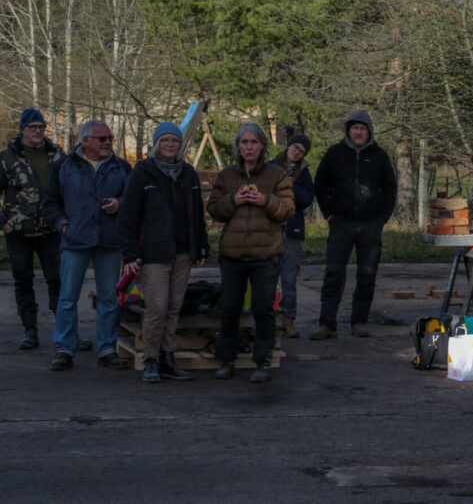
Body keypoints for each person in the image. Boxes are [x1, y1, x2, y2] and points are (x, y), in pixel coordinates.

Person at [117, 121, 210, 383]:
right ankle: (150, 359)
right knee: (156, 307)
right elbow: (128, 216)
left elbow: (197, 215)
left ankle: (168, 357)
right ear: (157, 144)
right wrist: (130, 253)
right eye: (166, 140)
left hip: (182, 252)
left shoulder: (188, 174)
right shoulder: (143, 172)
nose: (171, 145)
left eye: (175, 141)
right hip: (153, 253)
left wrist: (201, 244)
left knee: (174, 307)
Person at [206, 123, 294, 383]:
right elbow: (214, 210)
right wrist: (234, 199)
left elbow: (288, 210)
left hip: (266, 255)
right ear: (238, 146)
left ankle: (263, 360)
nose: (248, 147)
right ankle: (226, 359)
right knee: (229, 309)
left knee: (263, 308)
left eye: (253, 142)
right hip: (232, 255)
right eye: (244, 142)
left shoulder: (277, 175)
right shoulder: (227, 176)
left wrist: (265, 200)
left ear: (263, 146)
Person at [43, 119, 132, 371]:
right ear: (85, 141)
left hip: (109, 242)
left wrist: (120, 204)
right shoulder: (63, 166)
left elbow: (134, 199)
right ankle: (64, 348)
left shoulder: (121, 167)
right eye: (102, 138)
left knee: (108, 298)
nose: (108, 143)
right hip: (75, 241)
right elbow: (49, 202)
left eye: (110, 138)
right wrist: (63, 225)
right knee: (68, 298)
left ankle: (106, 349)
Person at [310, 111, 397, 340]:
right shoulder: (334, 154)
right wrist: (329, 213)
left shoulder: (379, 156)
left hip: (370, 224)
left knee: (367, 274)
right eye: (354, 128)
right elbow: (320, 184)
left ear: (369, 131)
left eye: (363, 128)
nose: (358, 132)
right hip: (341, 223)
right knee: (334, 273)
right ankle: (326, 324)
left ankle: (359, 322)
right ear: (348, 130)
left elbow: (390, 187)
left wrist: (383, 217)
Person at [1, 108, 66, 350]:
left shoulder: (57, 155)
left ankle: (65, 331)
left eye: (41, 127)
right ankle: (30, 331)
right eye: (33, 127)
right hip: (18, 232)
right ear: (23, 129)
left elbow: (70, 187)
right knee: (22, 280)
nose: (38, 131)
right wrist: (4, 224)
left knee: (58, 280)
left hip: (51, 229)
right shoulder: (7, 158)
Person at [270, 134, 315, 338]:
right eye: (295, 147)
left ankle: (288, 320)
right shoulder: (270, 166)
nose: (296, 152)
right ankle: (267, 320)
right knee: (266, 277)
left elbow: (306, 200)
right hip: (269, 230)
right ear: (289, 146)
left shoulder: (303, 173)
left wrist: (292, 185)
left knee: (289, 278)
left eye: (301, 152)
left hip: (292, 231)